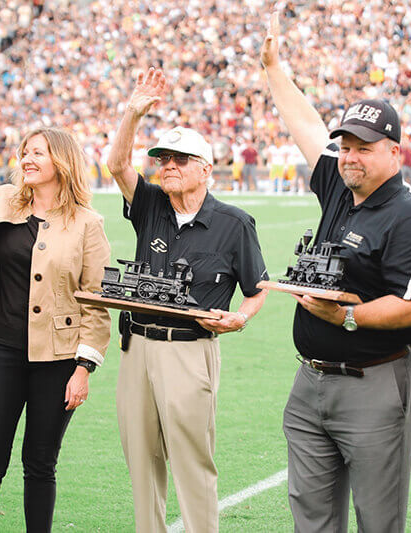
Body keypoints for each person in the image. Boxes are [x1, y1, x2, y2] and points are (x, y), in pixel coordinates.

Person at [261, 12, 411, 532]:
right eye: (346, 147)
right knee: (311, 517)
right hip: (311, 379)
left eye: (364, 148)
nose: (350, 157)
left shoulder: (407, 213)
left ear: (395, 152)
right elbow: (306, 127)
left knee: (377, 518)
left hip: (376, 379)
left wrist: (346, 317)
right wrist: (274, 69)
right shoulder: (343, 184)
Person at [0, 68, 111, 532]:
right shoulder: (1, 200)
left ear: (62, 161)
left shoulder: (88, 223)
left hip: (57, 360)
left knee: (39, 464)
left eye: (38, 152)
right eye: (25, 152)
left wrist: (83, 369)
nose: (28, 159)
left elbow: (96, 301)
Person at [106, 67, 269, 533]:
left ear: (206, 168)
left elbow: (256, 291)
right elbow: (117, 166)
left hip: (190, 349)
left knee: (192, 462)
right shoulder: (153, 204)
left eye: (180, 158)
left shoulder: (235, 223)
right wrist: (132, 115)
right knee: (140, 458)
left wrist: (239, 317)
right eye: (163, 159)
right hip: (136, 346)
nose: (168, 166)